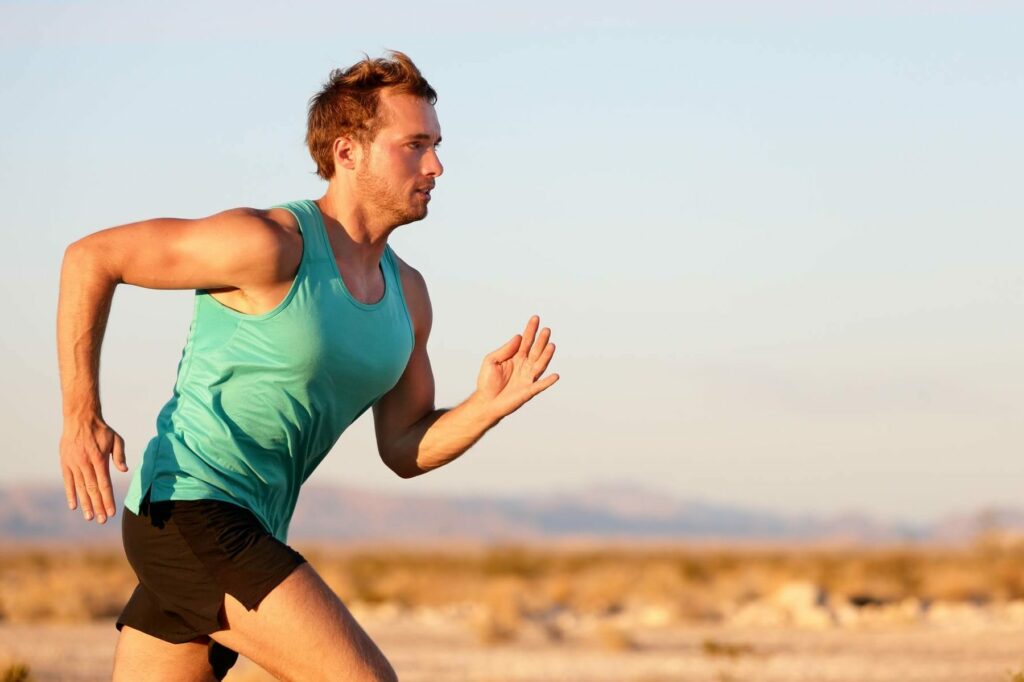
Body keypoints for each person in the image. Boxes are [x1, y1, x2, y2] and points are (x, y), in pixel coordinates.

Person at [57, 51, 559, 682]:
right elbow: (90, 259)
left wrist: (484, 407)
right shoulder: (269, 245)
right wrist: (81, 415)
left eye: (436, 145)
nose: (436, 165)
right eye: (414, 145)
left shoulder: (409, 296)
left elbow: (404, 446)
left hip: (250, 522)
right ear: (347, 152)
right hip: (189, 510)